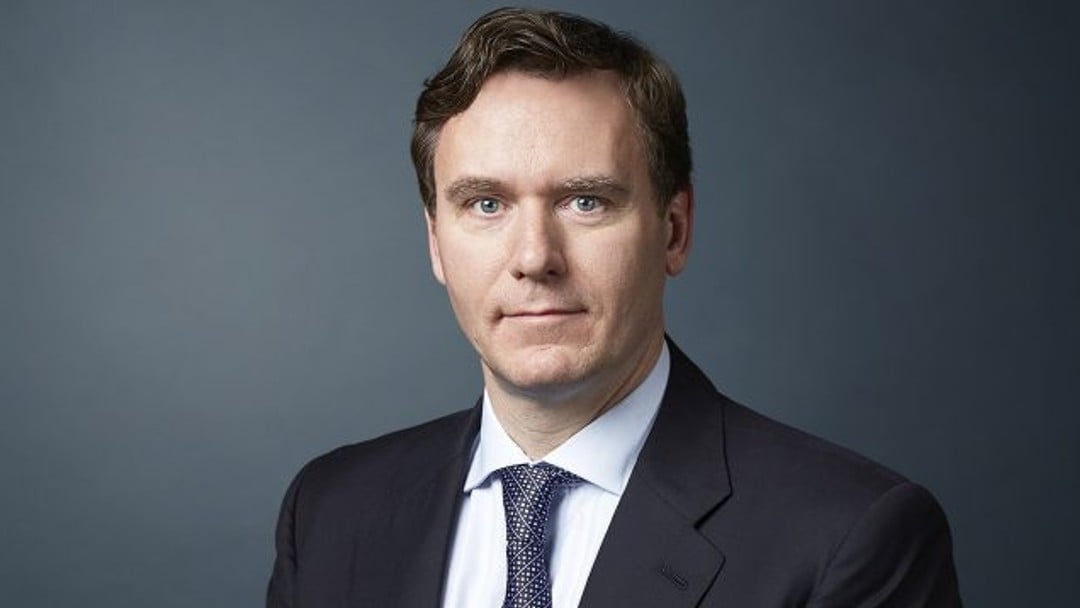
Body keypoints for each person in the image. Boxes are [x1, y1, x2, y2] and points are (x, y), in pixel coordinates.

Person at [267, 7, 961, 607]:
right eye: (486, 204)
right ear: (436, 243)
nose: (534, 257)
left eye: (585, 201)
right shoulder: (330, 512)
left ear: (674, 230)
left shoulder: (850, 536)